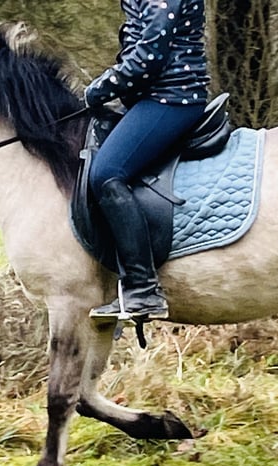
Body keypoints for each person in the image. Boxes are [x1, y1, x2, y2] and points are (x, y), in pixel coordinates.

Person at [84, 0, 210, 321]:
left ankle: (143, 290)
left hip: (173, 97)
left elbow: (149, 57)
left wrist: (98, 90)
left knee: (107, 173)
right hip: (153, 98)